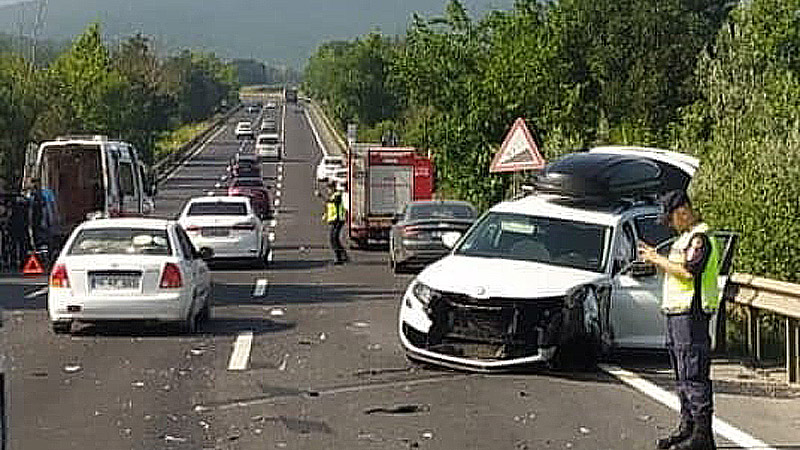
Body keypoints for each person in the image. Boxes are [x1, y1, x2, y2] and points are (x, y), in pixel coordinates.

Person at [638, 190, 720, 450]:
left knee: (694, 375)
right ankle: (688, 427)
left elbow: (687, 272)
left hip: (691, 316)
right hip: (677, 315)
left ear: (683, 211)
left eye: (671, 219)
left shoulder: (700, 239)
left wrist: (655, 258)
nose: (670, 225)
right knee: (682, 376)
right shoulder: (685, 238)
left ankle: (703, 436)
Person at [323, 182, 348, 264]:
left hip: (338, 220)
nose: (328, 191)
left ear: (333, 188)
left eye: (329, 189)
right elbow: (330, 206)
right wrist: (326, 215)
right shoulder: (334, 195)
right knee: (334, 239)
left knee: (334, 239)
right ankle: (343, 256)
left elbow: (332, 202)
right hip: (335, 220)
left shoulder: (337, 195)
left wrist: (322, 197)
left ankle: (339, 258)